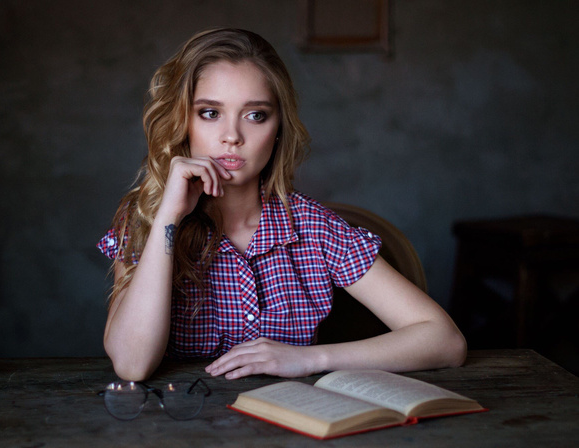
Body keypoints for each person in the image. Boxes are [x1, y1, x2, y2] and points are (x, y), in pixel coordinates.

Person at [98, 28, 466, 381]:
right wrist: (168, 217)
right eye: (210, 112)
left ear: (277, 131)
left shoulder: (313, 227)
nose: (232, 137)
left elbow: (444, 341)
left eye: (255, 114)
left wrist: (309, 358)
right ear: (183, 121)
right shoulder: (146, 218)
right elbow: (132, 365)